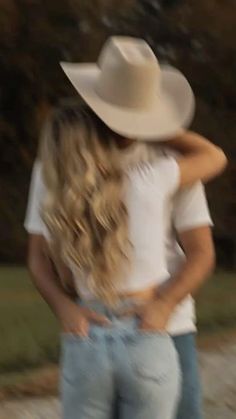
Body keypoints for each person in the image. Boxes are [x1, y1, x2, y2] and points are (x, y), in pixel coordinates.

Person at [24, 37, 227, 419]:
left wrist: (165, 304)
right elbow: (37, 256)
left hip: (169, 324)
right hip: (105, 324)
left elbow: (201, 253)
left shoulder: (165, 158)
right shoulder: (55, 170)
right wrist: (64, 309)